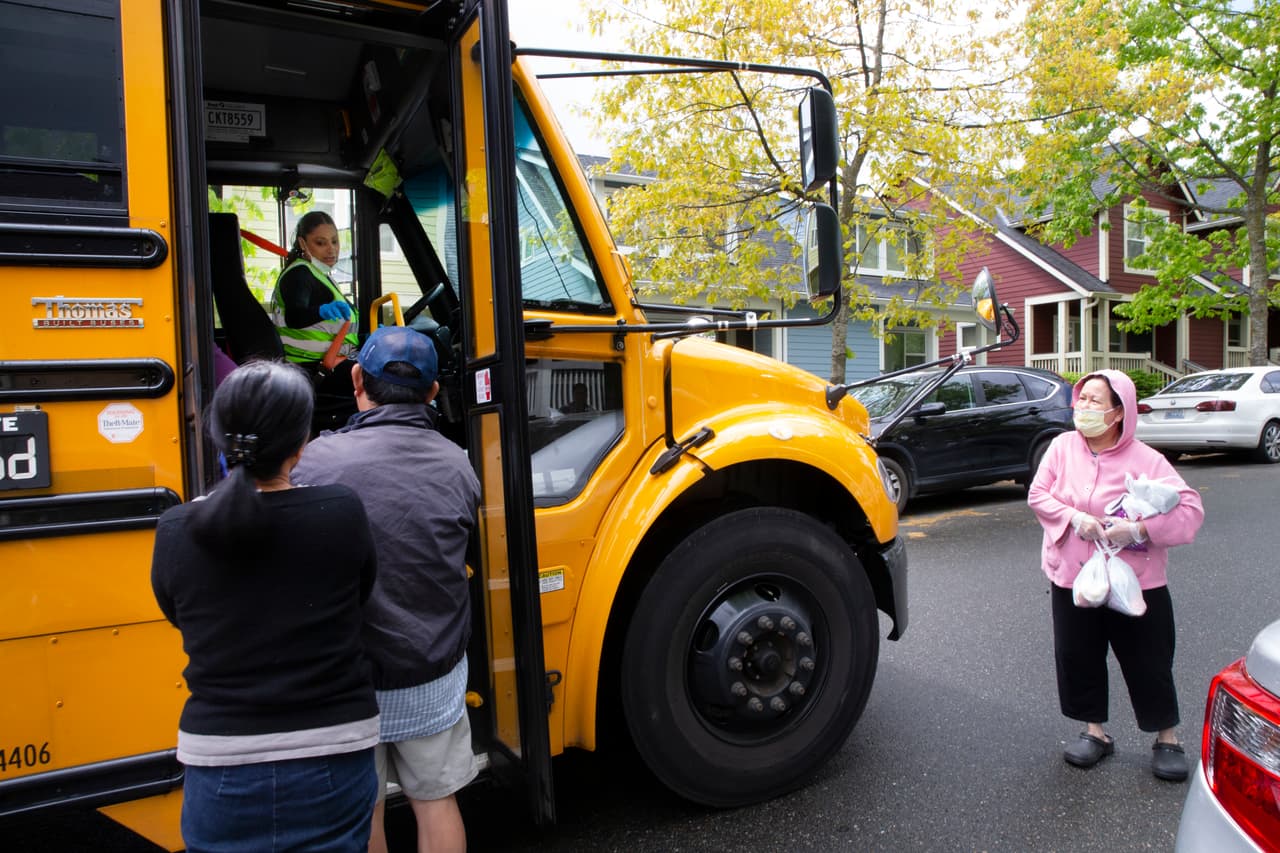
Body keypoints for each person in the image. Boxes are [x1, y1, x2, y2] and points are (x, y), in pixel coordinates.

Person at [150, 361, 380, 852]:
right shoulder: (341, 511)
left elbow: (178, 613)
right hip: (334, 752)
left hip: (220, 763)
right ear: (301, 445)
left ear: (217, 438)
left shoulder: (175, 529)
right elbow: (360, 596)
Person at [291, 326, 481, 853]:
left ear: (357, 380)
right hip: (431, 673)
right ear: (433, 394)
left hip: (349, 682)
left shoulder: (316, 463)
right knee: (437, 803)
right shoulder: (458, 464)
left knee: (363, 810)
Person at [1028, 369, 1204, 782]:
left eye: (1094, 401)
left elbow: (1190, 511)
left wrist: (1140, 530)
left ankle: (1167, 738)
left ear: (1118, 413)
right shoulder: (1061, 448)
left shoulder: (1147, 460)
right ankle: (1094, 732)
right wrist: (1075, 518)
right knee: (1077, 654)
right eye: (1081, 399)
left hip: (1136, 581)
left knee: (1148, 659)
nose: (1083, 407)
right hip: (1074, 576)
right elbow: (1039, 493)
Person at [270, 210, 360, 390]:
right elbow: (294, 317)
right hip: (313, 371)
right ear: (303, 243)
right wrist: (321, 311)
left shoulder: (319, 274)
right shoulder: (300, 274)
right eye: (320, 243)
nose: (332, 249)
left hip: (331, 363)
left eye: (335, 241)